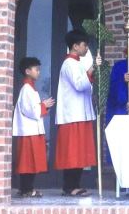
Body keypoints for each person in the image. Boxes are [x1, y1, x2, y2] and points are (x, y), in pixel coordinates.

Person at [55, 30, 96, 196]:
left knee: (79, 151)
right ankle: (69, 186)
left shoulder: (77, 63)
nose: (86, 48)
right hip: (72, 114)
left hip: (80, 112)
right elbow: (79, 85)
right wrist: (91, 70)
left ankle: (75, 185)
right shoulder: (69, 64)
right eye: (84, 45)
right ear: (75, 46)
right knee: (72, 152)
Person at [12, 57, 54, 197]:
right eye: (36, 69)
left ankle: (27, 188)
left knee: (31, 161)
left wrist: (42, 106)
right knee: (27, 162)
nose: (39, 72)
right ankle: (26, 189)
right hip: (28, 131)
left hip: (32, 130)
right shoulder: (26, 89)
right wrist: (43, 105)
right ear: (27, 71)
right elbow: (29, 110)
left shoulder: (30, 88)